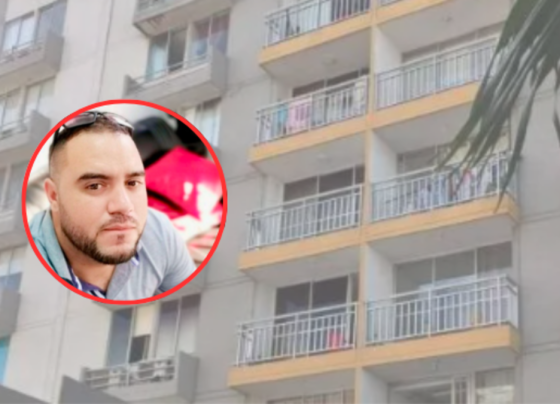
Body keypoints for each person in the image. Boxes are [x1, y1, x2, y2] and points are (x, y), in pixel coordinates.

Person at [29, 110, 197, 300]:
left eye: (132, 183)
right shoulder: (31, 267)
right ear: (54, 196)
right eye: (95, 186)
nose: (124, 206)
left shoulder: (159, 230)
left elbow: (191, 302)